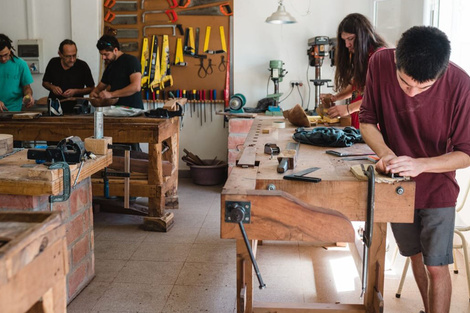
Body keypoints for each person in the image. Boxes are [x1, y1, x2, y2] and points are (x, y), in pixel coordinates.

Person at [360, 26, 470, 313]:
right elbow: (367, 120)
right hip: (397, 184)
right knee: (415, 256)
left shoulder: (460, 84)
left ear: (442, 72)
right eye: (405, 83)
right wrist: (385, 154)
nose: (412, 93)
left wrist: (421, 165)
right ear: (397, 61)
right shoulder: (380, 62)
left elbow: (466, 153)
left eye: (424, 87)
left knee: (437, 266)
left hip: (438, 187)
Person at [320, 13, 387, 128]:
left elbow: (379, 97)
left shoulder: (379, 57)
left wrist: (348, 108)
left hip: (375, 127)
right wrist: (336, 97)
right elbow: (356, 85)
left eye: (350, 39)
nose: (347, 45)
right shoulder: (364, 57)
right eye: (344, 40)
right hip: (361, 124)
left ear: (363, 35)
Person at [90, 35, 143, 109]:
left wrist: (111, 94)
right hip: (115, 111)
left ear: (115, 50)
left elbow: (136, 87)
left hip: (132, 111)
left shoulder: (131, 61)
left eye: (106, 54)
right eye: (102, 54)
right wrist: (94, 93)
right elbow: (99, 88)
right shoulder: (109, 66)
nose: (103, 58)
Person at [0, 34, 34, 112]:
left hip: (13, 111)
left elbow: (26, 87)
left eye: (6, 55)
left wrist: (28, 95)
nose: (3, 59)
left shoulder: (21, 64)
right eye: (0, 56)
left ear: (10, 50)